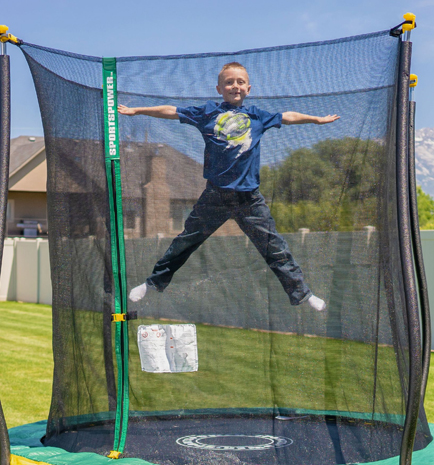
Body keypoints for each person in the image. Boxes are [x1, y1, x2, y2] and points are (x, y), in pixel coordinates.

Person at [118, 61, 337, 311]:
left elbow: (288, 116)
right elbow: (171, 110)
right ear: (219, 89)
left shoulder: (257, 116)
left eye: (240, 82)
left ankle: (303, 293)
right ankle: (152, 283)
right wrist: (138, 110)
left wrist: (316, 120)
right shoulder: (207, 113)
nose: (235, 86)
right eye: (229, 82)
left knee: (274, 248)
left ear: (248, 88)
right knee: (185, 241)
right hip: (216, 196)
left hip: (249, 199)